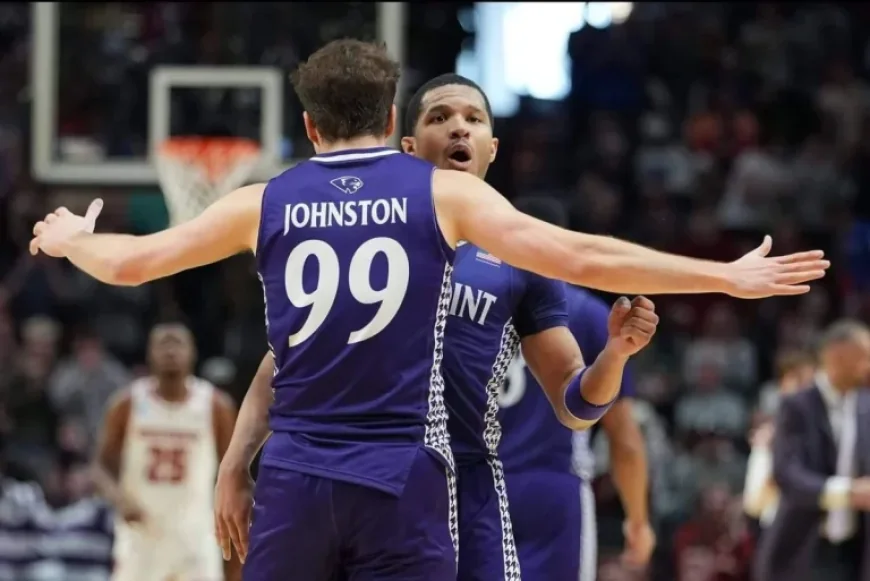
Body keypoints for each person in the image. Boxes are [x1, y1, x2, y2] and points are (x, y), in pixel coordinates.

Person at [32, 40, 827, 580]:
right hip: (403, 474)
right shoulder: (442, 196)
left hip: (299, 472)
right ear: (394, 127)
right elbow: (584, 254)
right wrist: (723, 274)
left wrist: (72, 237)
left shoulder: (262, 199)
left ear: (308, 126)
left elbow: (133, 264)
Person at [499, 198, 653, 581]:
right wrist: (637, 519)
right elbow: (625, 438)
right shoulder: (588, 313)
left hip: (473, 483)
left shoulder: (474, 298)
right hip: (552, 487)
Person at [92, 322, 238, 581]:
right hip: (142, 536)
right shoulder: (127, 403)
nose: (171, 351)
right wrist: (118, 498)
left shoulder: (215, 405)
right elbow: (100, 467)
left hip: (195, 535)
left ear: (193, 352)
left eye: (178, 343)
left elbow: (234, 472)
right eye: (163, 343)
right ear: (149, 354)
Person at [756, 320, 870, 581]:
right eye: (862, 358)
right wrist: (848, 492)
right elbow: (787, 473)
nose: (868, 366)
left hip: (854, 551)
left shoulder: (866, 405)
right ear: (835, 356)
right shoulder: (796, 405)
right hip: (805, 546)